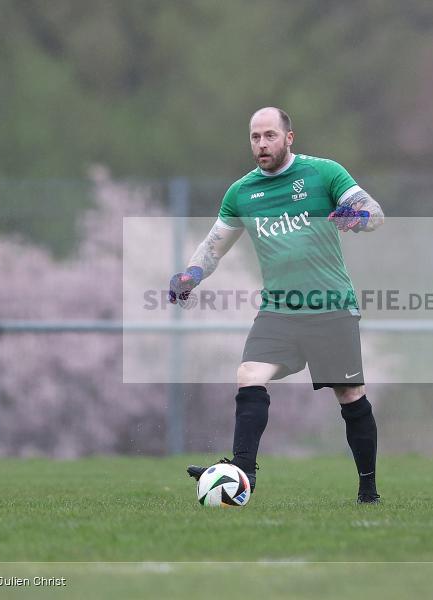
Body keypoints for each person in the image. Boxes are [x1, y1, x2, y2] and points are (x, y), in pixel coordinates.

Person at [170, 107, 385, 504]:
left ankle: (368, 488)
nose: (262, 144)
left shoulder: (324, 173)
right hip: (279, 310)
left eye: (270, 135)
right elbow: (215, 245)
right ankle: (242, 474)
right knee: (249, 374)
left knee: (350, 394)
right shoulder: (242, 193)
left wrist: (357, 217)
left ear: (289, 138)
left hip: (330, 305)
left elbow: (374, 213)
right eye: (255, 137)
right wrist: (191, 274)